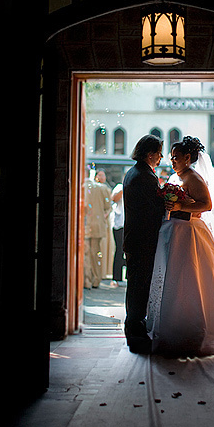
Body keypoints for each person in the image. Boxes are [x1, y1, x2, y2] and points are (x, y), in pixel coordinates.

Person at [147, 136, 214, 356]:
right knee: (173, 279)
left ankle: (193, 327)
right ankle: (172, 325)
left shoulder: (193, 177)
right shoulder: (176, 176)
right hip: (174, 229)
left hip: (189, 231)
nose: (172, 161)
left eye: (176, 158)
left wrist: (181, 204)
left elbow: (206, 204)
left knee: (190, 277)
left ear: (187, 158)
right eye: (171, 158)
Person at [122, 134, 165, 353]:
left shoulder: (134, 172)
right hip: (142, 240)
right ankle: (135, 334)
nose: (161, 157)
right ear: (150, 154)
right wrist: (168, 205)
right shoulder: (144, 177)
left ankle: (134, 330)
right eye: (159, 153)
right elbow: (152, 211)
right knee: (139, 287)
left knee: (136, 286)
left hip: (134, 239)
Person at [83, 169, 112, 289]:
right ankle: (96, 279)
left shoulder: (82, 187)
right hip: (98, 224)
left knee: (86, 253)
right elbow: (108, 206)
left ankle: (86, 280)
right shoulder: (103, 188)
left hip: (85, 224)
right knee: (96, 253)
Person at [110, 181, 125, 285]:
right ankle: (116, 277)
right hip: (119, 225)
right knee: (119, 250)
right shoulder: (120, 187)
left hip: (129, 224)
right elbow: (114, 198)